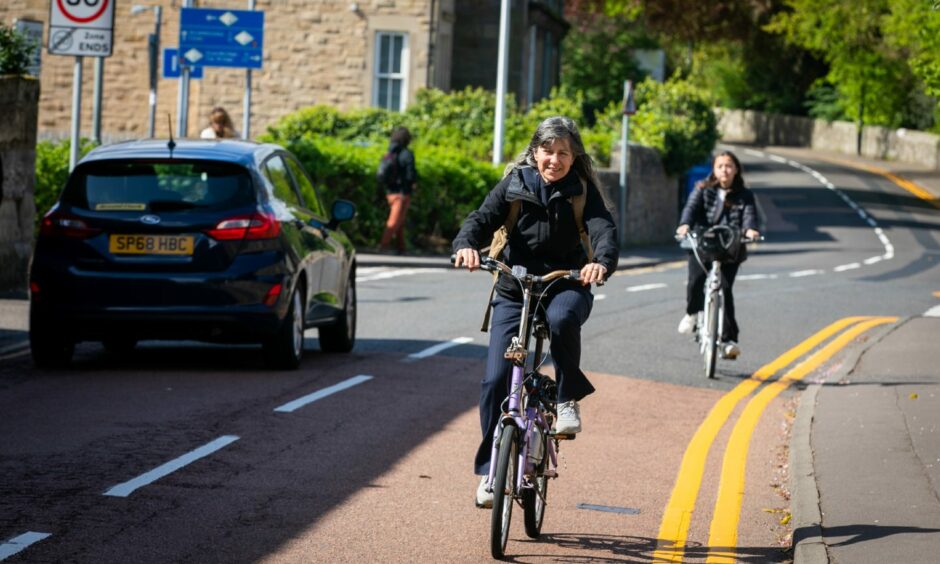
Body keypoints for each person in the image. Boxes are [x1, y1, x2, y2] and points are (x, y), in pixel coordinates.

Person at [452, 116, 618, 508]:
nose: (554, 160)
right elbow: (480, 220)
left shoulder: (581, 192)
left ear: (573, 156)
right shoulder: (515, 183)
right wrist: (466, 245)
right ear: (535, 151)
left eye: (563, 153)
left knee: (561, 320)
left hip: (565, 283)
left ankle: (565, 399)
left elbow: (603, 230)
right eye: (548, 151)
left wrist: (602, 263)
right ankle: (490, 474)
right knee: (495, 381)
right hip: (514, 287)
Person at [675, 150, 760, 359]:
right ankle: (692, 313)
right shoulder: (702, 189)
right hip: (703, 243)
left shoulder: (745, 194)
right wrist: (685, 225)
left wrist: (750, 230)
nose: (725, 169)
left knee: (725, 289)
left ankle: (729, 340)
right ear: (714, 169)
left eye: (729, 165)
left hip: (731, 246)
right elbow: (690, 209)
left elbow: (749, 216)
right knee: (695, 281)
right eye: (720, 165)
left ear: (736, 169)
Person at [378, 127, 418, 254]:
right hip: (402, 193)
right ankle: (382, 246)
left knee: (400, 221)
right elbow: (410, 174)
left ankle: (401, 248)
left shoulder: (390, 152)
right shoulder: (407, 154)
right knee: (394, 221)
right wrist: (412, 184)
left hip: (390, 192)